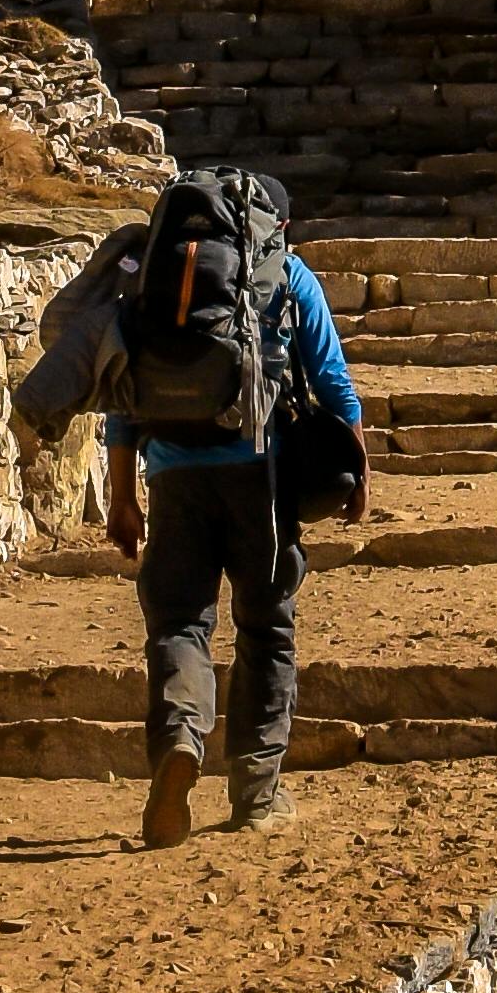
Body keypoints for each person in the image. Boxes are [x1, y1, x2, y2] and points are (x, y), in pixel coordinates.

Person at [103, 207, 366, 846]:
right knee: (266, 628)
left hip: (173, 479)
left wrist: (122, 497)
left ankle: (180, 739)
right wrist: (358, 468)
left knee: (177, 622)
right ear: (274, 225)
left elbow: (121, 395)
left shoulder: (154, 276)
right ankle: (255, 793)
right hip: (261, 477)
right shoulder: (285, 273)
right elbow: (332, 380)